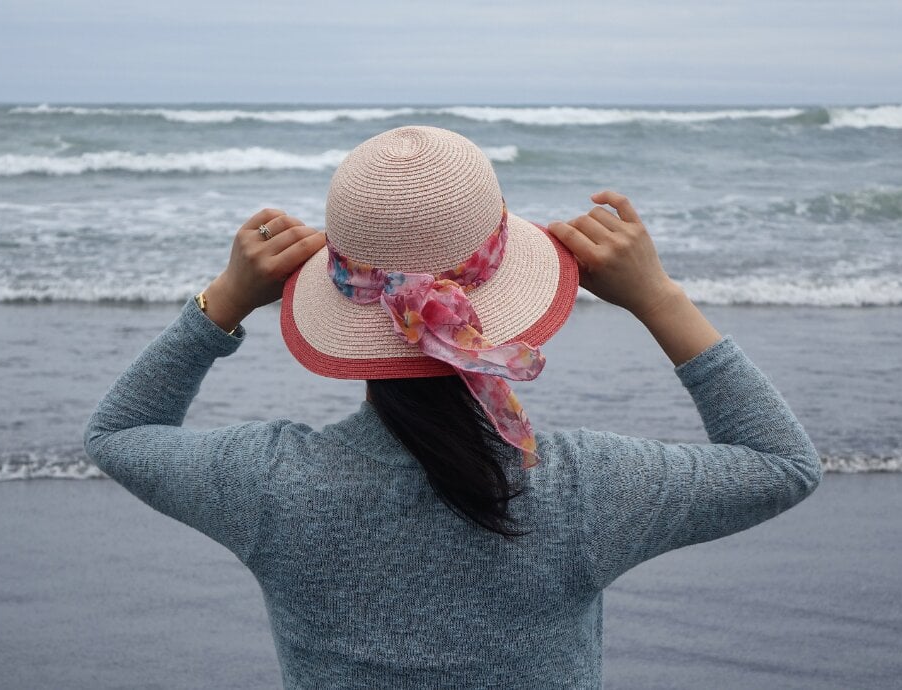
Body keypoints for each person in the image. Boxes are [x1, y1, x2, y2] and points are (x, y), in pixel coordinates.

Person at [84, 125, 821, 688]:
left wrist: (224, 301)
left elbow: (119, 432)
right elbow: (781, 463)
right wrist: (659, 298)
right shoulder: (580, 487)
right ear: (508, 293)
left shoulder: (273, 484)